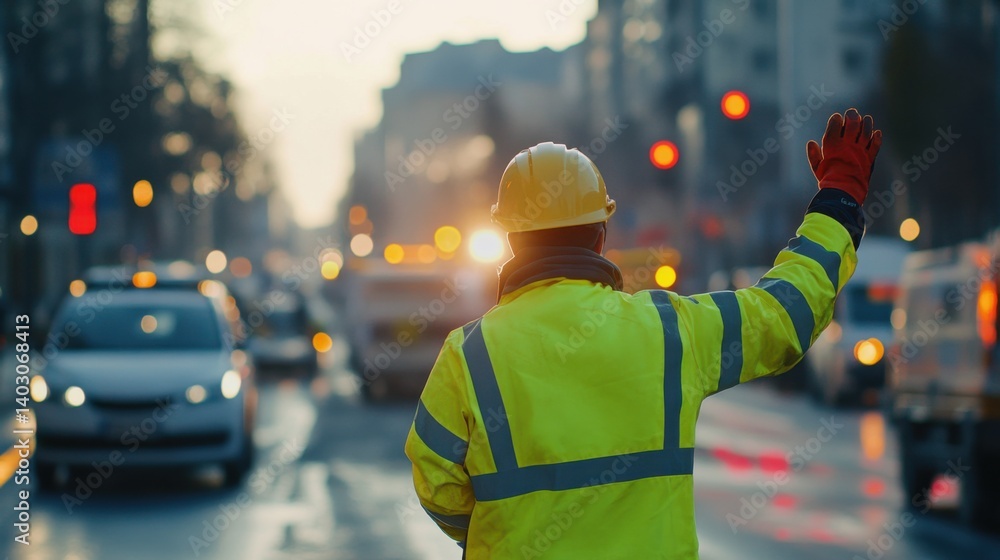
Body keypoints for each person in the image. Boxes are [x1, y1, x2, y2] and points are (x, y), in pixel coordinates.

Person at [405, 109, 882, 558]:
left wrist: (505, 526)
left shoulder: (468, 353)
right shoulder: (667, 330)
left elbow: (437, 483)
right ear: (601, 234)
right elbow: (784, 313)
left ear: (511, 238)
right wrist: (837, 204)